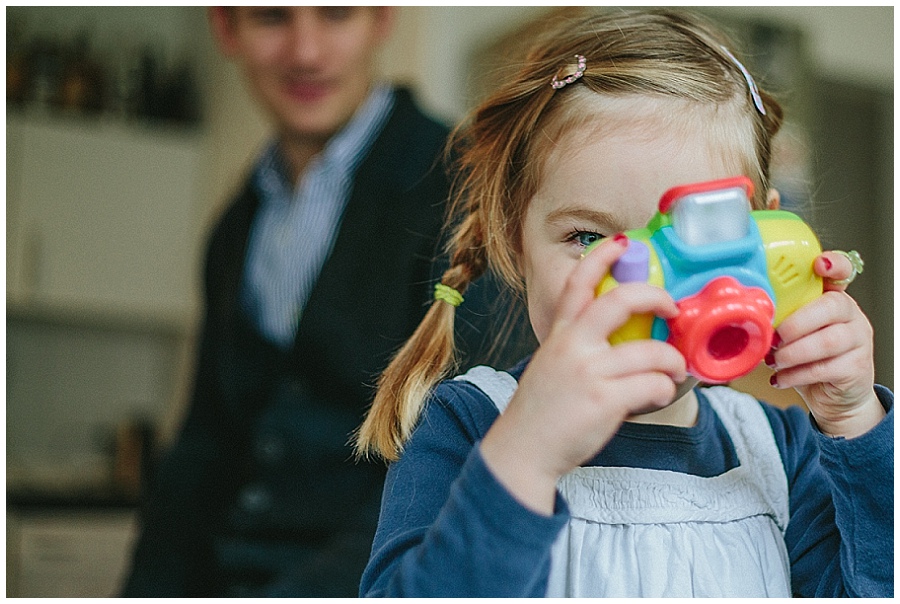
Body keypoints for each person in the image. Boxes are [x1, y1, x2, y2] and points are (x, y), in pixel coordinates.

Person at [355, 9, 893, 598]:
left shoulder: (778, 455)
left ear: (761, 236)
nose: (642, 290)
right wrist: (525, 457)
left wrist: (857, 422)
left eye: (686, 242)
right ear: (515, 237)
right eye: (588, 238)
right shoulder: (474, 424)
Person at [120, 6, 518, 597]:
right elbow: (203, 442)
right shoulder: (236, 222)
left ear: (381, 19)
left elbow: (462, 454)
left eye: (335, 13)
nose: (305, 52)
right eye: (272, 18)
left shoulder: (463, 186)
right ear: (226, 30)